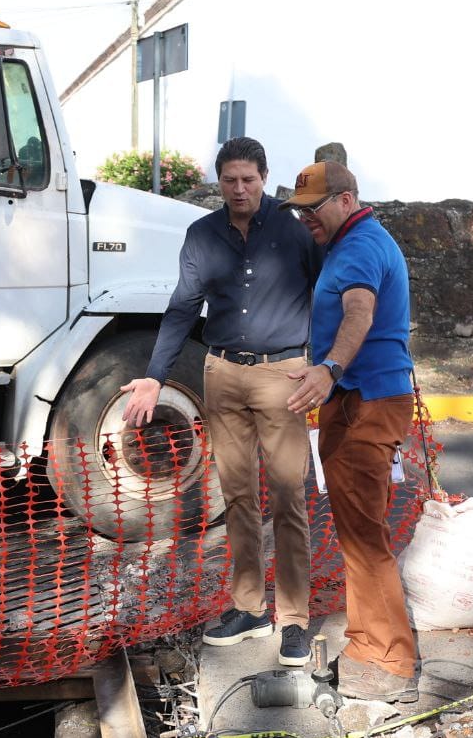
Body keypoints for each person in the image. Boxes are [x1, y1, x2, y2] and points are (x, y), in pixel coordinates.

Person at [120, 136, 322, 665]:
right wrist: (153, 377)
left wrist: (323, 364)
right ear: (219, 181)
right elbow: (182, 309)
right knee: (236, 496)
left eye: (248, 180)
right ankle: (249, 607)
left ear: (263, 177)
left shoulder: (295, 229)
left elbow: (328, 297)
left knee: (287, 497)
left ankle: (294, 619)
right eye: (230, 180)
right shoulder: (201, 235)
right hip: (223, 372)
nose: (239, 190)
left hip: (283, 372)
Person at [281, 160, 419, 703]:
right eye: (300, 211)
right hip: (361, 397)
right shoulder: (356, 240)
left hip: (366, 401)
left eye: (312, 210)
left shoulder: (360, 246)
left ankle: (389, 660)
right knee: (360, 533)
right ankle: (367, 645)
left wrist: (330, 369)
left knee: (365, 538)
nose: (305, 220)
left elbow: (359, 312)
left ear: (345, 199)